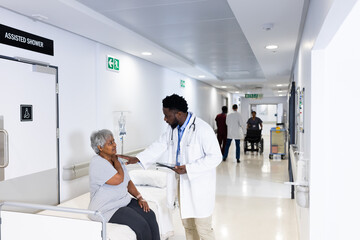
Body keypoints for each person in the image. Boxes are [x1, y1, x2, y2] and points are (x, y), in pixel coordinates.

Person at [120, 94, 222, 240]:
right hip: (182, 182)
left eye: (167, 115)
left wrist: (189, 168)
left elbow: (215, 157)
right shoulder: (173, 129)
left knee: (203, 228)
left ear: (178, 114)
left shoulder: (202, 129)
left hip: (200, 184)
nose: (165, 119)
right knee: (188, 225)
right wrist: (138, 158)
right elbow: (159, 145)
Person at [88, 129, 160, 240]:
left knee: (150, 215)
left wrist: (140, 197)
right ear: (100, 148)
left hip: (123, 201)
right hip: (106, 208)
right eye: (110, 143)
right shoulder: (97, 162)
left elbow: (127, 182)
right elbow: (119, 179)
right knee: (141, 225)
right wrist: (116, 161)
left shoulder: (116, 160)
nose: (115, 145)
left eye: (114, 141)